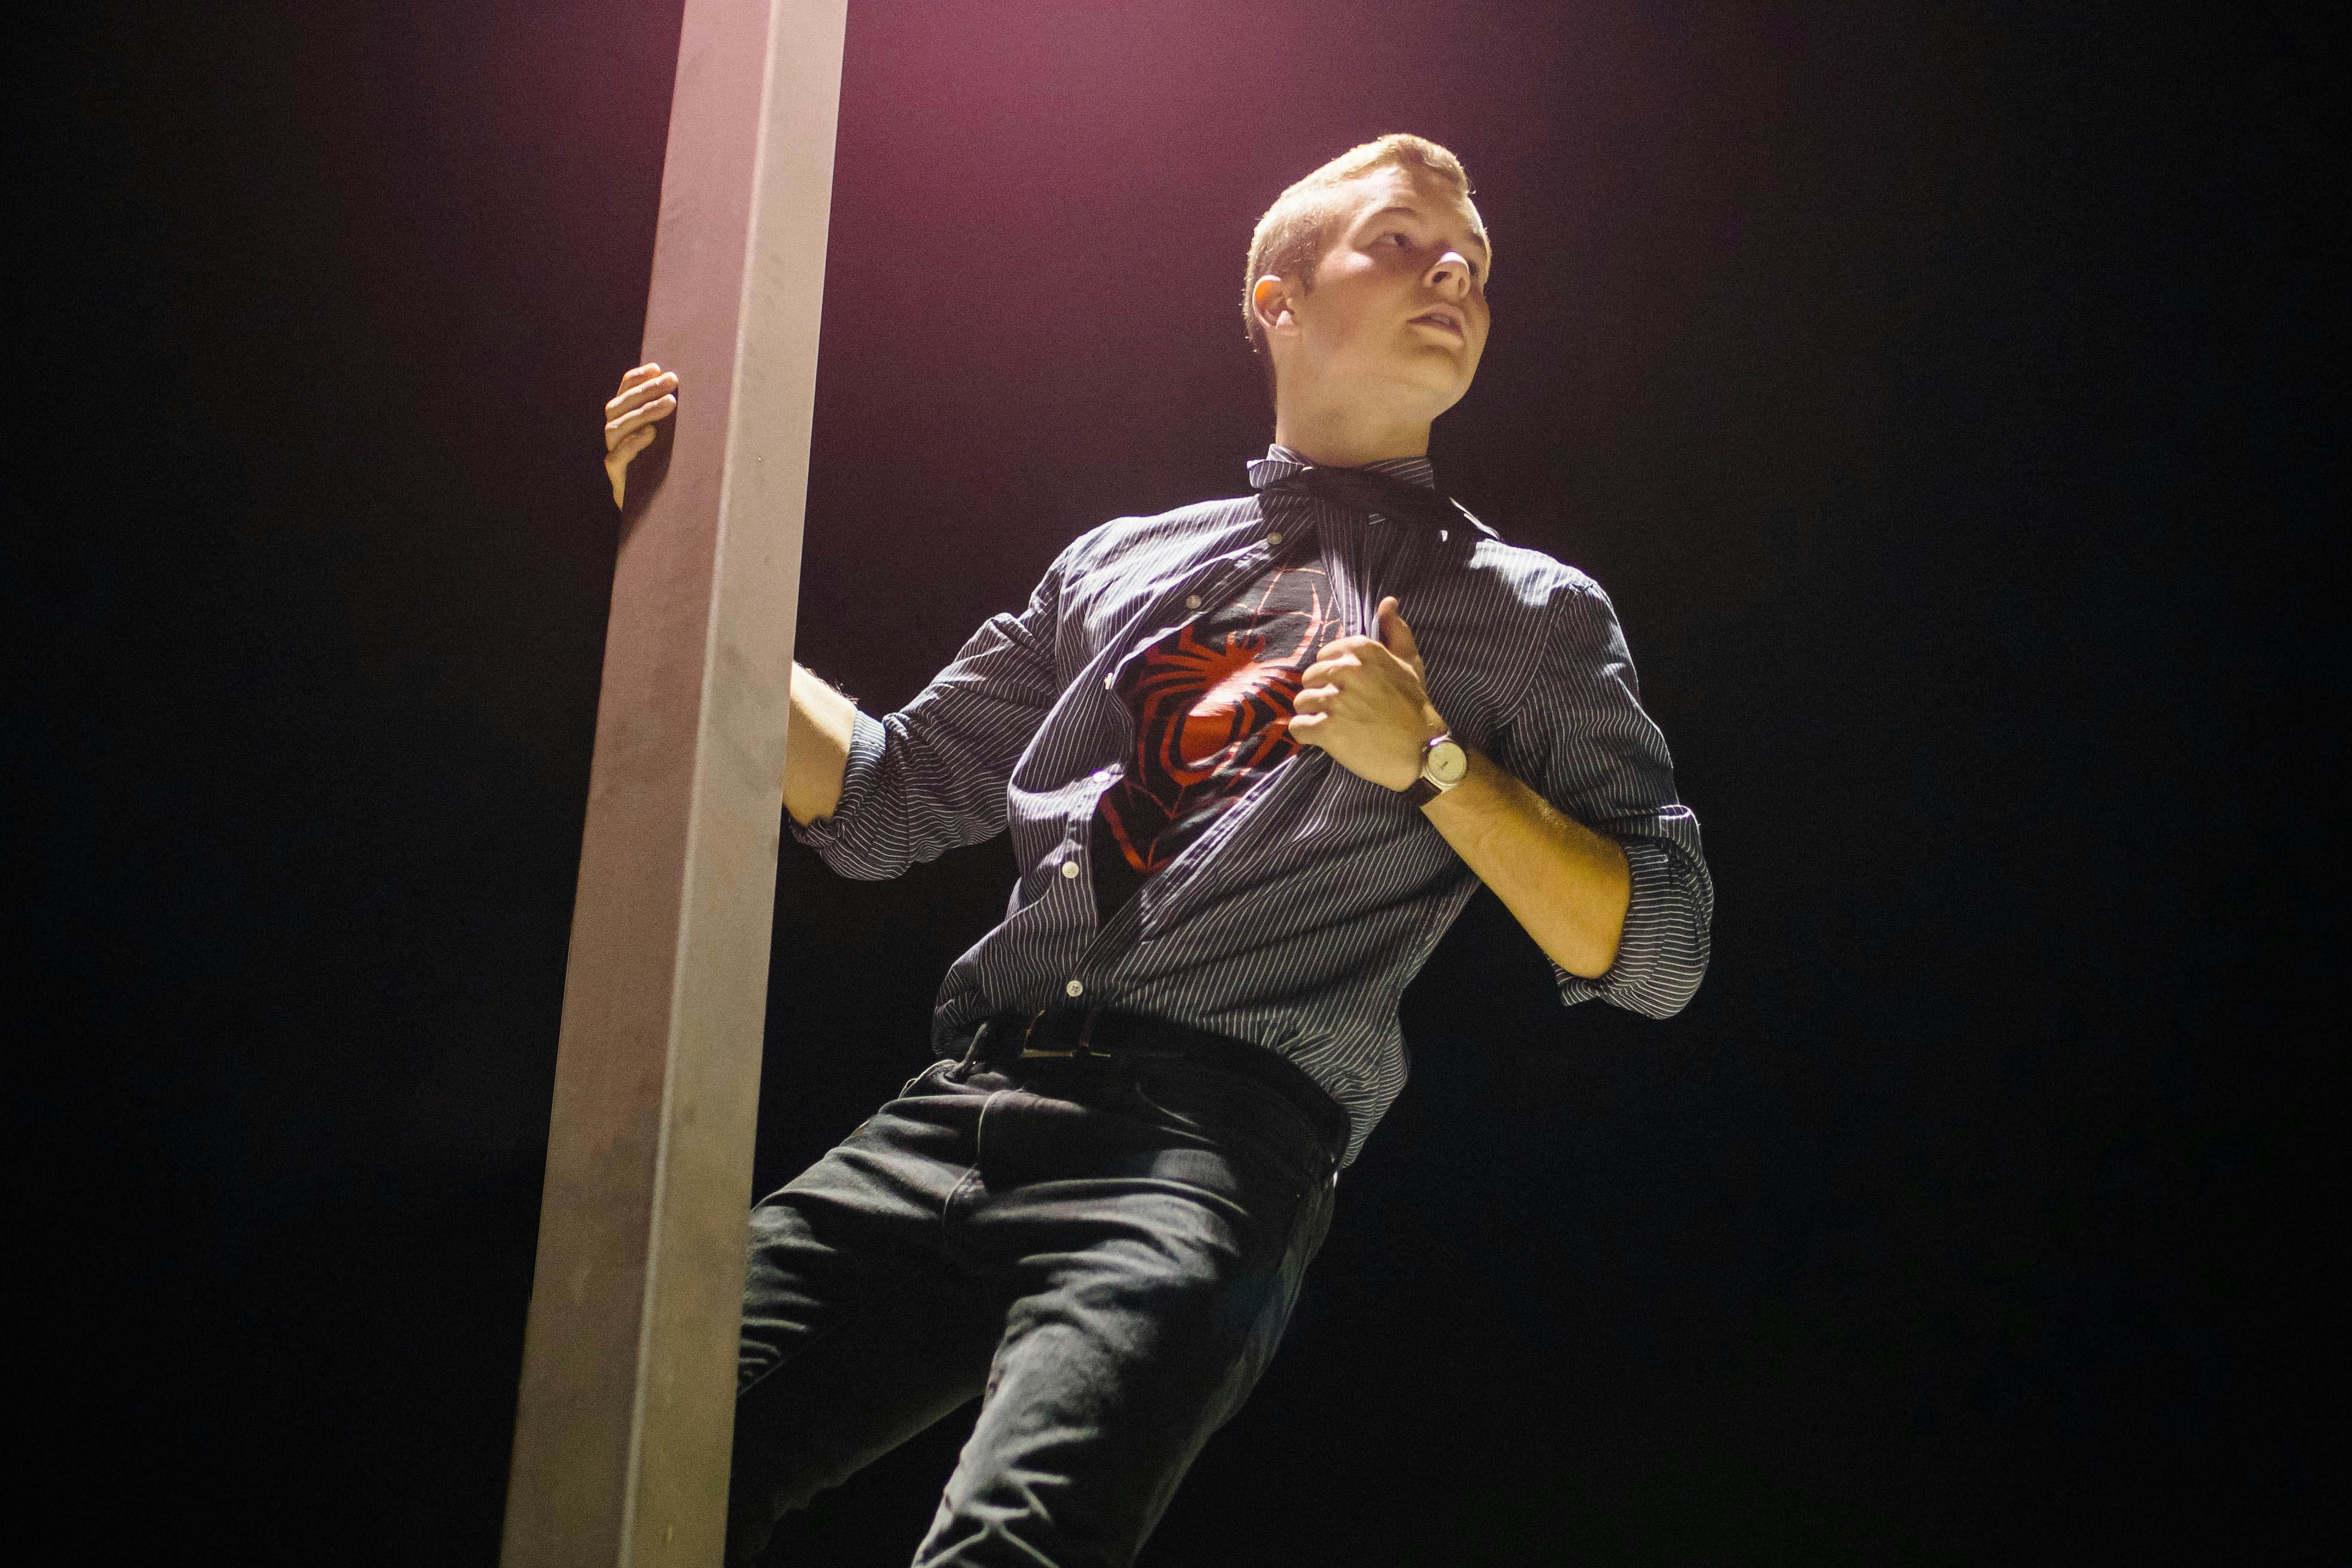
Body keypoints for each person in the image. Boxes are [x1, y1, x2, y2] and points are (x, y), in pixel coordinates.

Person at [600, 133, 1711, 1568]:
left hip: (1205, 1149)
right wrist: (687, 546)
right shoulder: (1115, 562)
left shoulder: (1534, 614)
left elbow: (1659, 948)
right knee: (635, 1445)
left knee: (1015, 1549)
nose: (1453, 272)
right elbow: (883, 801)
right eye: (1399, 240)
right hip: (962, 1104)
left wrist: (1437, 764)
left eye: (1476, 263)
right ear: (1277, 301)